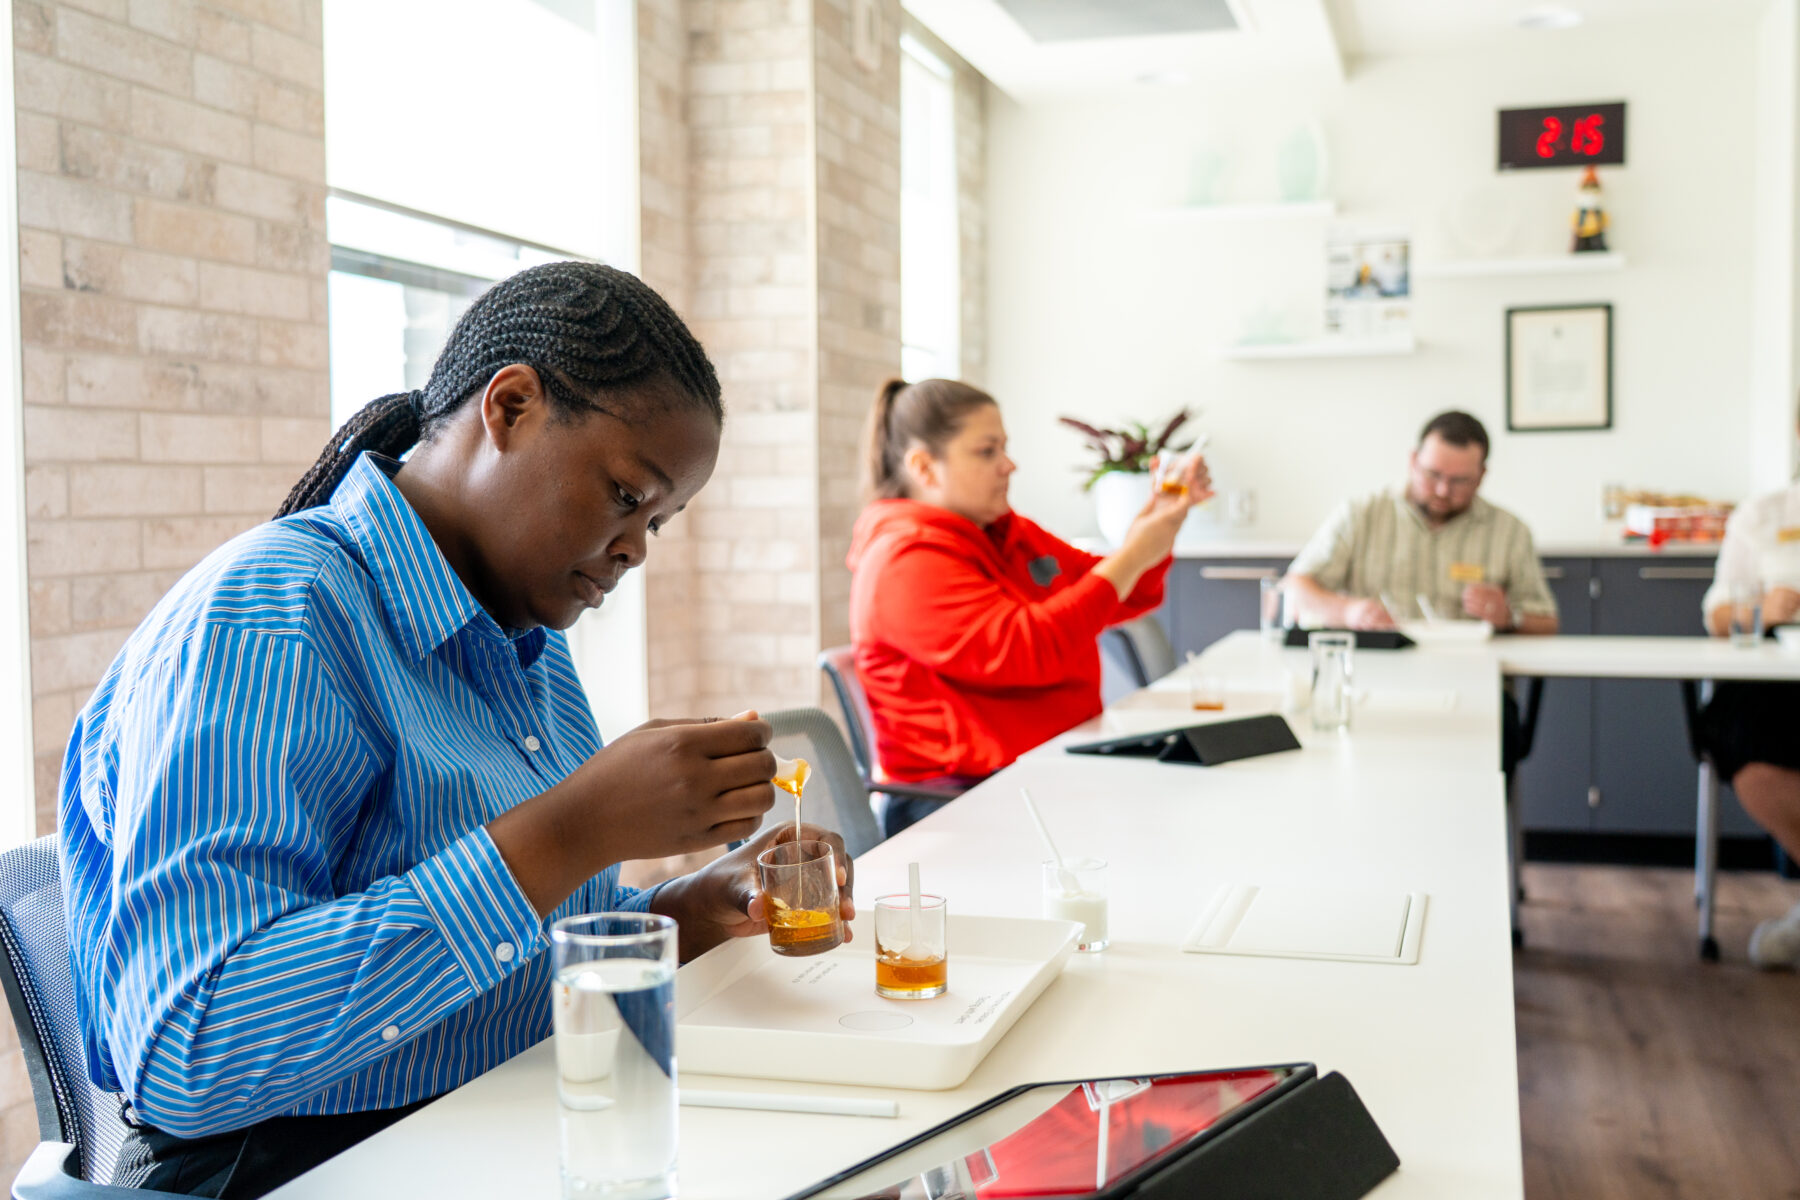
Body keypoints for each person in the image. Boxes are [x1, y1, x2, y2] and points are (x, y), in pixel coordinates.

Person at [58, 262, 854, 1197]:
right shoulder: (275, 615)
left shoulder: (523, 637)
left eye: (662, 522)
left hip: (495, 1123)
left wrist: (678, 914)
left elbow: (498, 970)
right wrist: (571, 829)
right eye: (627, 497)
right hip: (303, 1169)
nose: (638, 546)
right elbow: (189, 1052)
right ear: (509, 407)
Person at [847, 378, 1211, 836]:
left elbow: (1121, 593)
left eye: (1005, 448)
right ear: (924, 467)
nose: (1009, 465)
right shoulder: (902, 562)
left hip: (1047, 773)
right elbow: (1028, 650)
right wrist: (1136, 552)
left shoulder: (1004, 531)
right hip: (960, 804)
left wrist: (1158, 520)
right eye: (987, 451)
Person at [1286, 410, 1559, 636]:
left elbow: (1547, 624)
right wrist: (1348, 611)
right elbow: (1297, 586)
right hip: (1376, 676)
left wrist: (1509, 617)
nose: (1442, 490)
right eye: (1433, 475)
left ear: (1481, 475)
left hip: (1471, 676)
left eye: (1459, 481)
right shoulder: (1362, 514)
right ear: (1414, 461)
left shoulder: (1510, 532)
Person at [1698, 463, 1800, 968]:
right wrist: (1764, 608)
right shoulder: (1765, 515)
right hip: (1778, 680)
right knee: (1746, 740)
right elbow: (1717, 615)